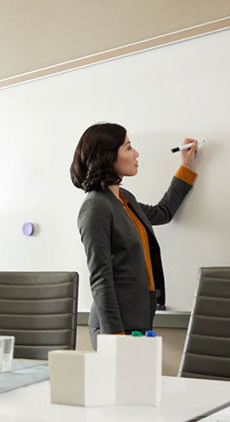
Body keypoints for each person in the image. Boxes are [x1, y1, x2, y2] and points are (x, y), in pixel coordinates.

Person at [70, 123, 199, 349]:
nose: (136, 153)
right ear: (108, 155)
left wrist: (186, 166)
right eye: (128, 147)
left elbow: (163, 212)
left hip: (139, 318)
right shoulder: (95, 206)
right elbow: (101, 277)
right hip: (116, 326)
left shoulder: (123, 199)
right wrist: (114, 336)